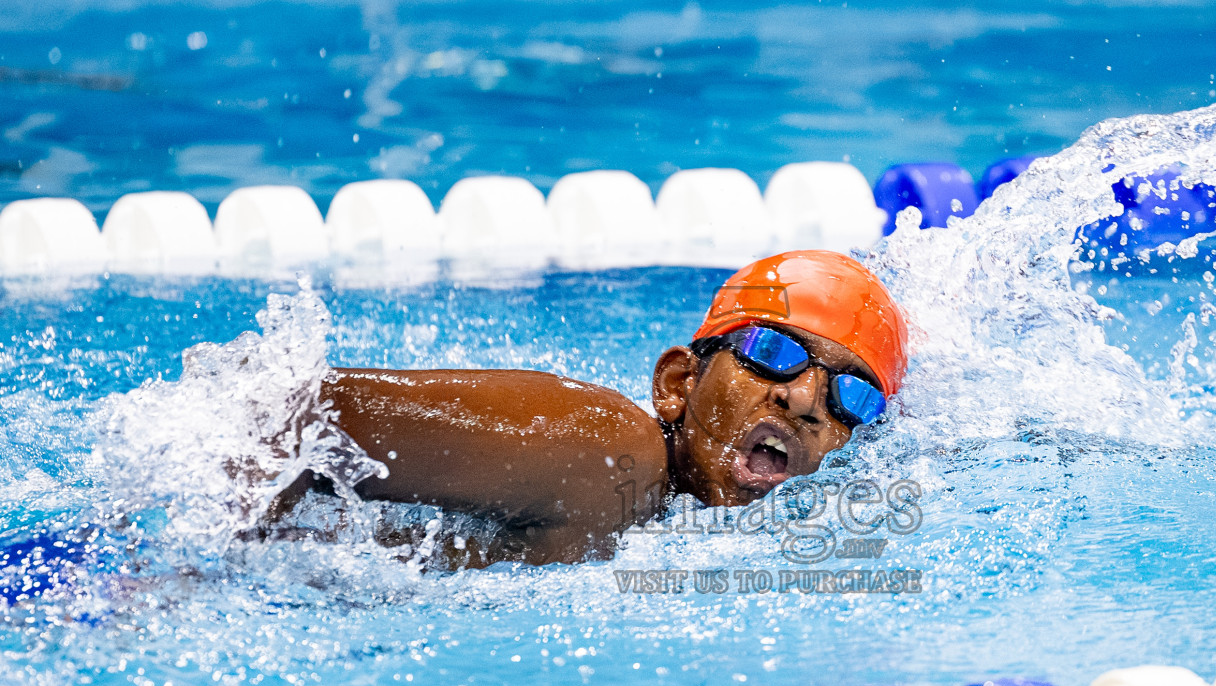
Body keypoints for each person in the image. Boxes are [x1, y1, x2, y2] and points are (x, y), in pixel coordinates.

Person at [285, 250, 909, 567]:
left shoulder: (689, 534)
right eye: (773, 351)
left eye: (851, 396)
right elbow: (297, 412)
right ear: (677, 384)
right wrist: (210, 572)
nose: (803, 399)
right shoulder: (608, 451)